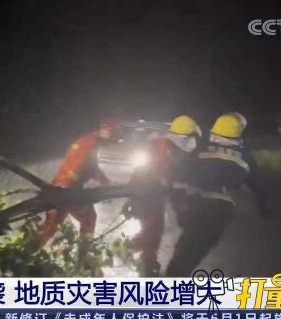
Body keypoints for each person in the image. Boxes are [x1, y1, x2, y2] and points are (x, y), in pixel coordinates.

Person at [166, 112, 270, 276]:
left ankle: (170, 283)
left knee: (186, 248)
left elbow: (179, 173)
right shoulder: (245, 156)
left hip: (195, 204)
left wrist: (176, 196)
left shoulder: (201, 150)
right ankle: (172, 283)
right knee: (196, 248)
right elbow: (259, 185)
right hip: (220, 210)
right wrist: (264, 209)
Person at [129, 115, 201, 276]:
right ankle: (146, 260)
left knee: (155, 226)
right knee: (153, 226)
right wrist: (135, 195)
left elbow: (177, 174)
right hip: (146, 189)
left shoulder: (177, 149)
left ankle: (141, 253)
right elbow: (144, 170)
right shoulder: (159, 146)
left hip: (159, 190)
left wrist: (180, 194)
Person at [38, 118, 121, 252]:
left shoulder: (88, 140)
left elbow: (87, 167)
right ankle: (84, 257)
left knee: (54, 224)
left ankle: (25, 252)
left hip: (64, 187)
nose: (112, 141)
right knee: (83, 219)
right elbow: (91, 167)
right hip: (67, 189)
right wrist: (106, 182)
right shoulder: (91, 143)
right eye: (112, 136)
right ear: (106, 131)